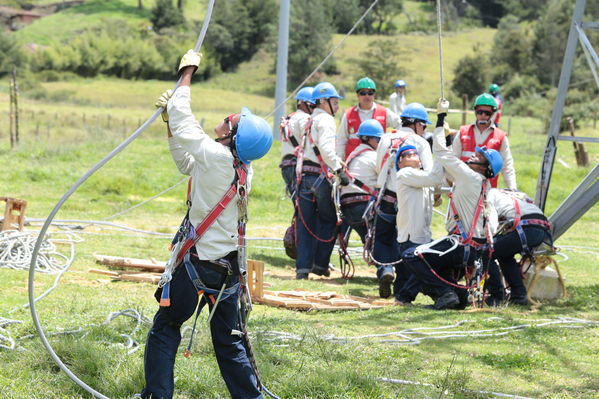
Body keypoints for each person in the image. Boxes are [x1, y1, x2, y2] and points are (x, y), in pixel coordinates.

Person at [139, 49, 272, 399]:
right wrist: (169, 122)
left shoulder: (216, 157)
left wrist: (186, 71)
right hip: (226, 268)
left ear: (231, 136)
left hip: (198, 264)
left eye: (231, 121)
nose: (227, 118)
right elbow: (187, 163)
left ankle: (157, 395)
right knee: (230, 343)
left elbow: (186, 121)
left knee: (166, 327)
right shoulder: (241, 165)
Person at [403, 99, 502, 310]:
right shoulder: (484, 187)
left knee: (412, 255)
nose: (471, 155)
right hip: (476, 248)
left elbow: (440, 152)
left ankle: (445, 292)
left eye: (477, 156)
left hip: (460, 245)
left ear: (484, 167)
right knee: (435, 260)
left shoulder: (469, 177)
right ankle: (456, 296)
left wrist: (440, 119)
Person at [372, 102, 433, 299]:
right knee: (408, 242)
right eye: (424, 125)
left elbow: (377, 166)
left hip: (387, 196)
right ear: (417, 124)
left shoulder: (386, 138)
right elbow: (429, 175)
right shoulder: (421, 143)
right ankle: (402, 287)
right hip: (411, 201)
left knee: (382, 237)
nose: (424, 130)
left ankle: (385, 269)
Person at [294, 81, 349, 279]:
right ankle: (319, 264)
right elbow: (326, 149)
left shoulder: (309, 120)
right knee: (330, 220)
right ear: (324, 101)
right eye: (334, 101)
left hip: (305, 176)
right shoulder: (325, 120)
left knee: (305, 223)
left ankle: (302, 269)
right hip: (319, 176)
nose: (337, 106)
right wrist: (338, 168)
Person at [393, 145, 444, 305]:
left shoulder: (422, 177)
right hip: (411, 234)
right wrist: (442, 151)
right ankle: (407, 296)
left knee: (416, 272)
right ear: (399, 164)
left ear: (421, 162)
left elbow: (436, 199)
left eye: (415, 153)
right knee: (423, 269)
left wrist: (436, 196)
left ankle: (405, 296)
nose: (412, 155)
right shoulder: (404, 174)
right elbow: (435, 178)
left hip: (421, 233)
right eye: (406, 155)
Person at [485, 188, 553, 306]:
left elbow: (492, 222)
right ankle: (519, 295)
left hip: (526, 228)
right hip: (541, 229)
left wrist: (487, 239)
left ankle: (497, 296)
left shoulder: (490, 194)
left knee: (486, 253)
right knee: (504, 255)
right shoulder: (518, 194)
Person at [452, 93, 516, 190]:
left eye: (487, 113)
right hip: (463, 187)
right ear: (475, 112)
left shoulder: (501, 137)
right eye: (480, 112)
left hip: (488, 190)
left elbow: (507, 166)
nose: (483, 115)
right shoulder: (462, 132)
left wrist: (513, 189)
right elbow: (452, 160)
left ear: (493, 114)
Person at [339, 119, 382, 242]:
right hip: (364, 206)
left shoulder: (352, 155)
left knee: (368, 238)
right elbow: (386, 179)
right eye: (379, 140)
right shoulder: (373, 157)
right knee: (382, 238)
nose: (380, 143)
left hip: (346, 208)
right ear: (370, 139)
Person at [336, 77, 401, 160]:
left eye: (370, 93)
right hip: (353, 164)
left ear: (374, 94)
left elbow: (400, 124)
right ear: (357, 95)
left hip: (376, 163)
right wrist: (340, 161)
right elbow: (341, 140)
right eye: (363, 93)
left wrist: (392, 142)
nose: (367, 96)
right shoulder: (348, 115)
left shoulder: (384, 112)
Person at [279, 86, 314, 200]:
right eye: (313, 105)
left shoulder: (289, 118)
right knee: (305, 207)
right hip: (297, 166)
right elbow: (310, 140)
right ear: (305, 104)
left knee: (297, 204)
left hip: (286, 166)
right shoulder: (305, 118)